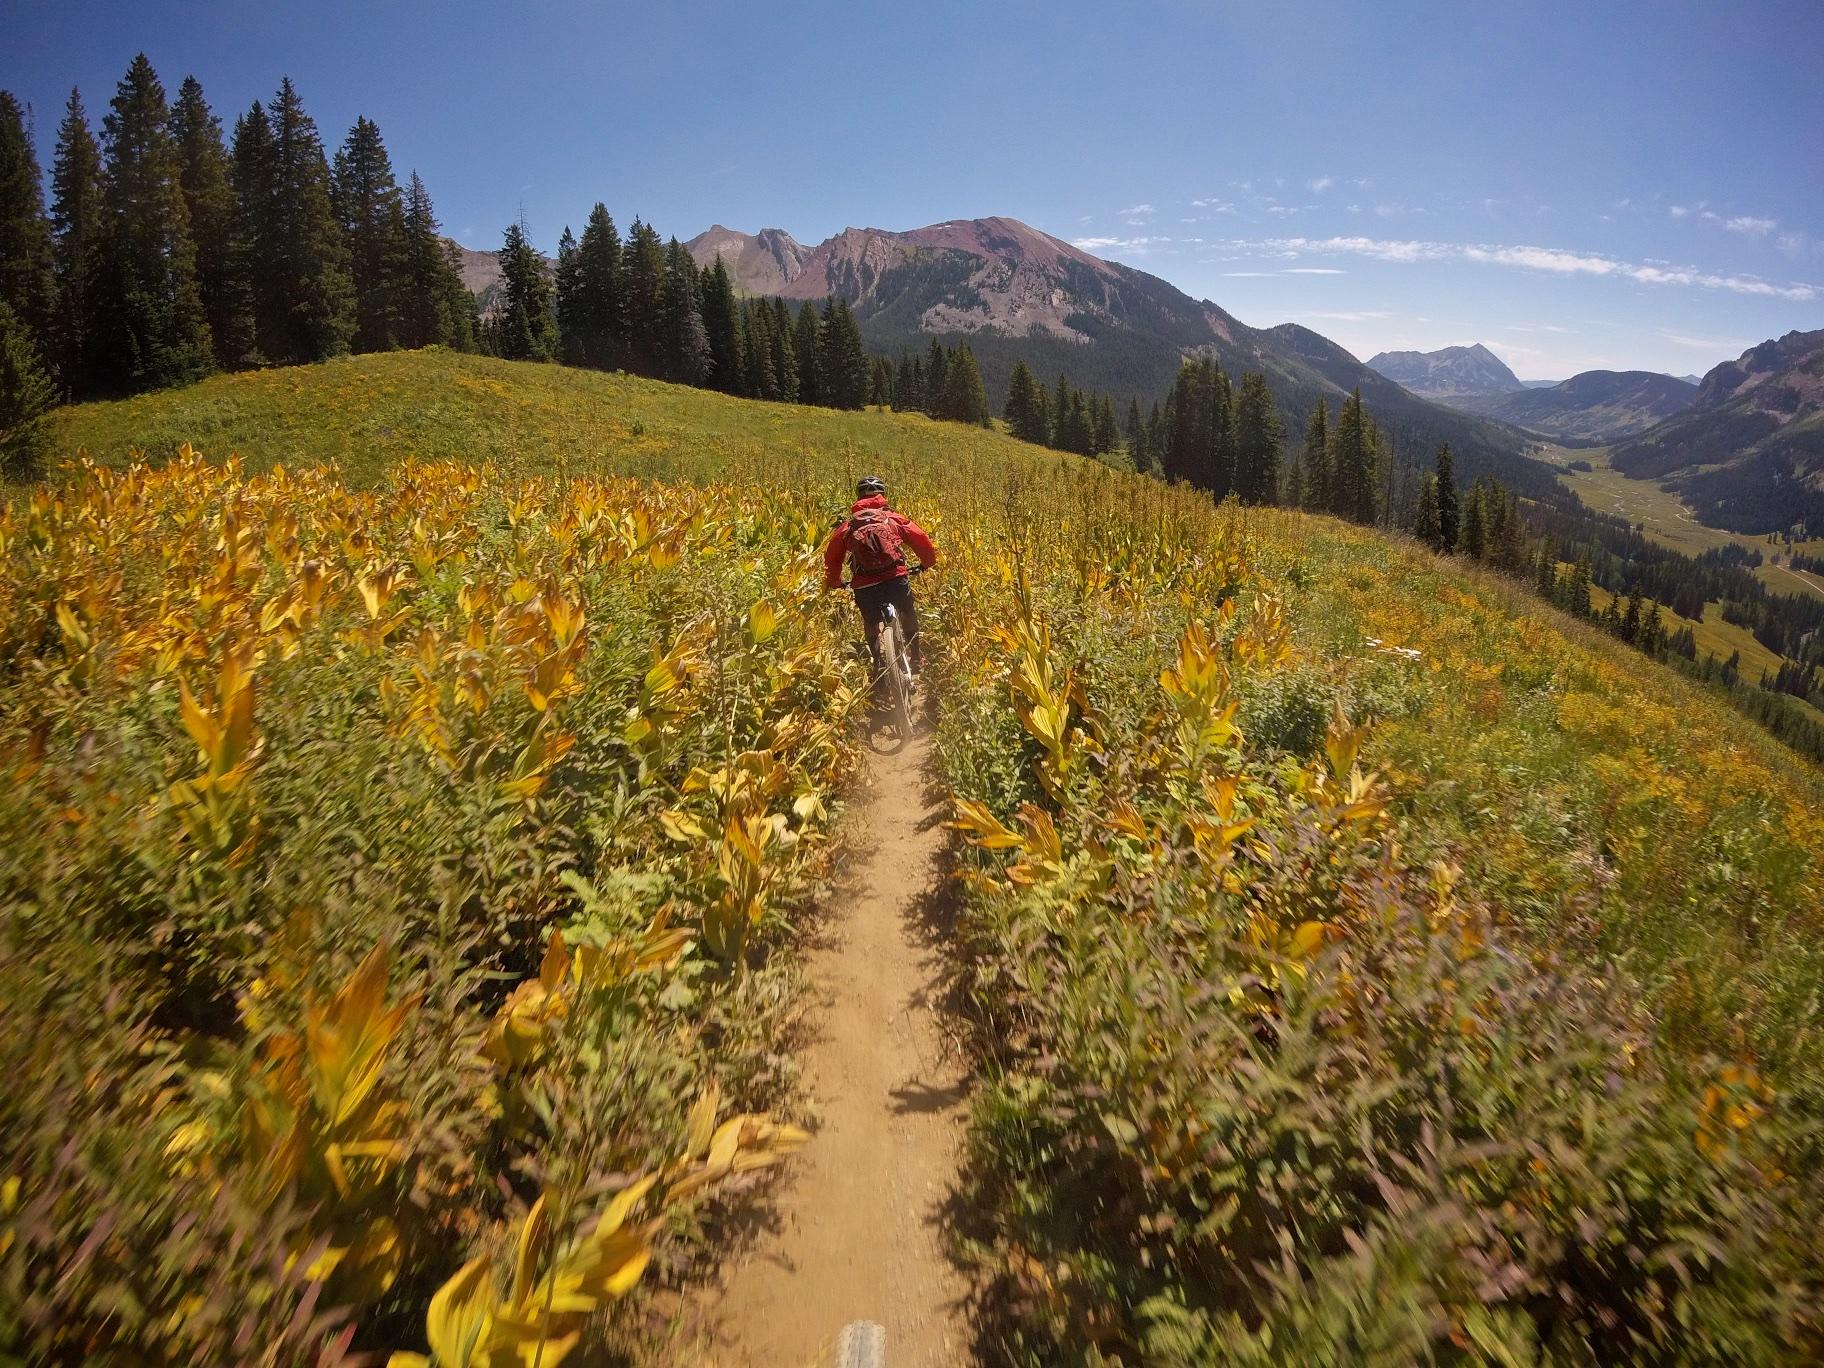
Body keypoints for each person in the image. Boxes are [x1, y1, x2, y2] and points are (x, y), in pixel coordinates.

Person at [824, 475, 937, 679]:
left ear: (858, 497)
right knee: (907, 609)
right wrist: (926, 564)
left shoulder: (849, 526)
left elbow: (832, 558)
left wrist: (836, 582)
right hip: (895, 579)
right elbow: (921, 540)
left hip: (865, 586)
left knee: (870, 620)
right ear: (883, 496)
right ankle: (916, 658)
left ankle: (877, 661)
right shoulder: (892, 518)